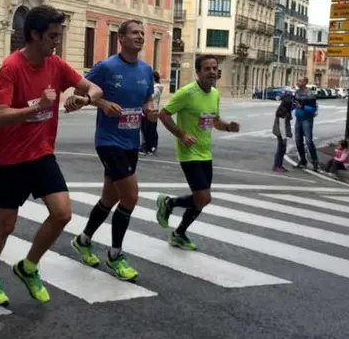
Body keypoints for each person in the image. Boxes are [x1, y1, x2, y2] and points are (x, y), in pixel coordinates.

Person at [0, 5, 103, 305]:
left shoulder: (56, 65)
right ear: (35, 35)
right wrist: (36, 108)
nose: (56, 41)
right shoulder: (11, 67)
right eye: (52, 36)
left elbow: (95, 89)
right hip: (8, 159)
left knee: (62, 213)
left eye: (58, 35)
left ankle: (28, 266)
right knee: (6, 226)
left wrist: (82, 98)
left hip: (42, 153)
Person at [63, 19, 157, 281]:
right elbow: (81, 91)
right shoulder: (106, 67)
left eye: (142, 33)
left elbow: (147, 98)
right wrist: (102, 103)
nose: (140, 37)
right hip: (108, 141)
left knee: (110, 198)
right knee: (130, 197)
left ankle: (83, 240)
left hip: (131, 141)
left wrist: (149, 110)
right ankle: (116, 254)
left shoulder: (146, 70)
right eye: (134, 33)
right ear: (121, 38)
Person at [154, 55, 239, 250]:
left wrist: (228, 127)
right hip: (189, 152)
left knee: (202, 199)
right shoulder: (187, 93)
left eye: (214, 68)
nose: (211, 72)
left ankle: (179, 233)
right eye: (206, 68)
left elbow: (214, 121)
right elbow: (164, 114)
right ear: (198, 72)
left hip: (205, 152)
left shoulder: (215, 94)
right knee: (203, 197)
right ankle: (169, 203)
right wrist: (181, 134)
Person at [293, 76, 318, 171]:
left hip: (307, 119)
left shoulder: (310, 94)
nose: (298, 82)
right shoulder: (297, 92)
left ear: (305, 82)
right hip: (298, 119)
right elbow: (294, 104)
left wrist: (302, 107)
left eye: (300, 81)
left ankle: (315, 161)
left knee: (308, 141)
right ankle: (303, 160)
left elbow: (313, 109)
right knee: (298, 141)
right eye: (298, 80)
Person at [140, 71, 164, 155]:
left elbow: (150, 96)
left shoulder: (157, 88)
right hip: (144, 110)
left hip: (152, 111)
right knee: (144, 129)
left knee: (150, 129)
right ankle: (145, 146)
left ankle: (151, 147)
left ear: (153, 78)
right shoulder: (150, 86)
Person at [272, 93, 293, 172]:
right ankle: (277, 165)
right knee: (281, 149)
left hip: (280, 132)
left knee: (282, 149)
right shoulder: (283, 110)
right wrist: (284, 138)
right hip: (280, 133)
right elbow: (282, 126)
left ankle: (279, 165)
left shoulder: (284, 108)